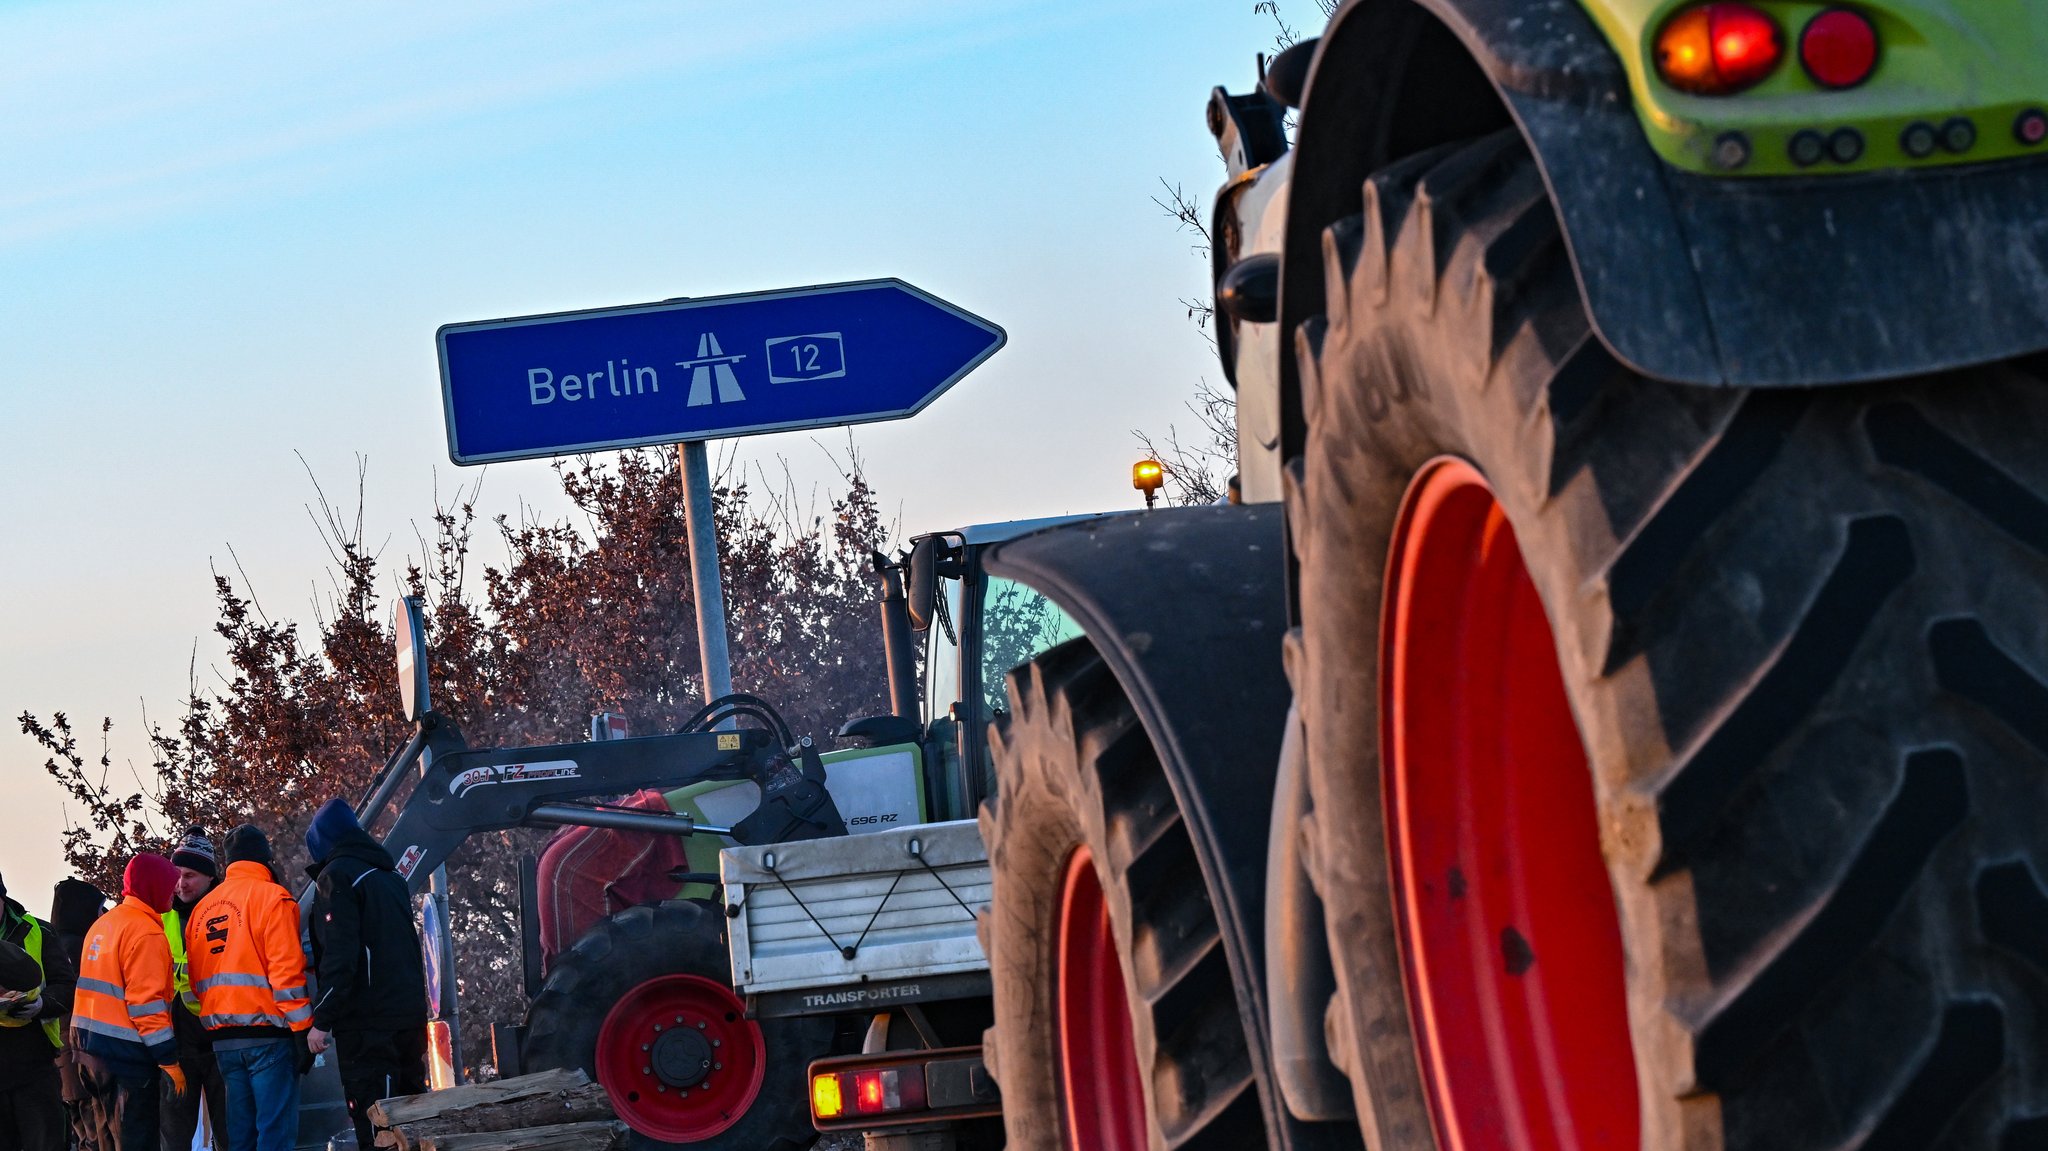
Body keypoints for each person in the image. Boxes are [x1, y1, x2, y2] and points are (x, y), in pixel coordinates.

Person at [304, 799, 427, 1150]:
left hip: (368, 1025)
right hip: (408, 1017)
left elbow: (340, 956)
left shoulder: (337, 877)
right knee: (413, 1121)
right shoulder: (391, 877)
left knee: (378, 1125)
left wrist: (322, 1020)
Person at [187, 827, 309, 1151]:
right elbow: (286, 974)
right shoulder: (274, 898)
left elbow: (195, 980)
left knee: (240, 1138)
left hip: (223, 1041)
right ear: (265, 858)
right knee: (275, 1135)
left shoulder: (202, 909)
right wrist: (303, 1030)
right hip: (269, 1035)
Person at [69, 855, 183, 1151]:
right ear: (153, 887)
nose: (175, 889)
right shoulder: (146, 933)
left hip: (89, 1053)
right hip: (126, 1060)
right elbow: (146, 1006)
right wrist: (168, 1060)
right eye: (169, 884)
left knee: (106, 1142)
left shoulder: (104, 924)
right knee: (136, 1141)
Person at [0, 871, 75, 1151]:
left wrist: (42, 1004)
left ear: (3, 897)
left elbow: (66, 984)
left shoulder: (39, 931)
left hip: (34, 1064)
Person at [163, 828, 228, 1150]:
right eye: (176, 874)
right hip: (176, 1045)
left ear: (209, 877)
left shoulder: (226, 912)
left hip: (220, 1039)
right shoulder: (162, 916)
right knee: (174, 1135)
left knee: (230, 1133)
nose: (180, 883)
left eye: (189, 875)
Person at [48, 879, 111, 1151]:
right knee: (95, 1130)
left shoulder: (52, 942)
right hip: (79, 1051)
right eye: (99, 908)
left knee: (79, 1128)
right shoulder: (79, 947)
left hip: (60, 1053)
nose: (103, 914)